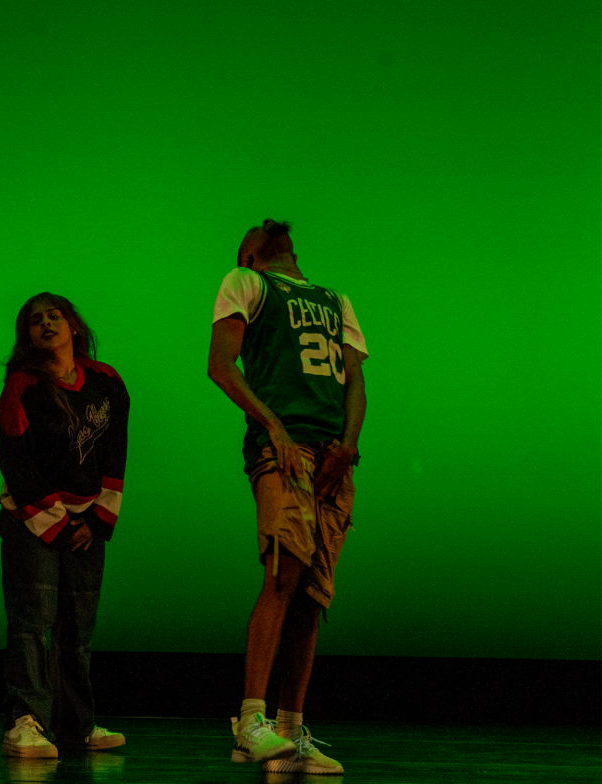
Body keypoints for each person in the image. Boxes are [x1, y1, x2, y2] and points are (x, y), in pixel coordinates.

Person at [207, 220, 368, 775]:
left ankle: (291, 732)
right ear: (249, 255)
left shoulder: (334, 299)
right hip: (285, 446)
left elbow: (354, 381)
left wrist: (348, 446)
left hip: (330, 457)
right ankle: (249, 723)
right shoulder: (247, 282)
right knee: (284, 569)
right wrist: (271, 423)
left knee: (313, 597)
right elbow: (220, 365)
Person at [0, 293, 130, 759]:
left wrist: (95, 520)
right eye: (36, 320)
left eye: (55, 316)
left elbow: (115, 454)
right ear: (26, 335)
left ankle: (77, 725)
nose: (47, 324)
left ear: (73, 326)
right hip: (32, 522)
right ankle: (25, 722)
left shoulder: (107, 382)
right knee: (32, 624)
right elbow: (16, 459)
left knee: (78, 630)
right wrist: (56, 522)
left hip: (87, 525)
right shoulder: (23, 385)